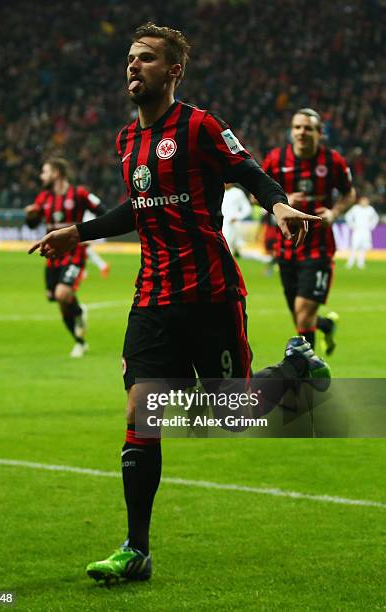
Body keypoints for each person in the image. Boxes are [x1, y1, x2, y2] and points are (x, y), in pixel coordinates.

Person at [29, 24, 328, 583]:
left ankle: (292, 368)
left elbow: (248, 172)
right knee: (142, 411)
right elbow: (137, 209)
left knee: (230, 415)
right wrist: (81, 231)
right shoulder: (127, 141)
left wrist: (279, 206)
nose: (133, 66)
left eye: (147, 58)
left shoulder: (200, 126)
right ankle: (135, 548)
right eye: (130, 57)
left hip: (211, 294)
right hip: (153, 298)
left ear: (174, 71)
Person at [261, 108, 356, 355]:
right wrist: (281, 200)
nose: (302, 132)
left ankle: (306, 380)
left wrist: (334, 213)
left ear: (319, 133)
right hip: (288, 247)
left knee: (303, 317)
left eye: (308, 128)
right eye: (298, 127)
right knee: (301, 317)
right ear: (291, 131)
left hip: (319, 248)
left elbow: (349, 193)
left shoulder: (332, 161)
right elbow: (256, 194)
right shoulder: (275, 159)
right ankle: (326, 324)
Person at [25, 157, 108, 357]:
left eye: (44, 171)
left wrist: (90, 236)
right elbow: (32, 225)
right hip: (53, 256)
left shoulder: (79, 193)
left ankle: (79, 326)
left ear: (56, 173)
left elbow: (103, 212)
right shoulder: (43, 198)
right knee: (57, 298)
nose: (41, 176)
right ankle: (79, 337)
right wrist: (30, 216)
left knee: (63, 293)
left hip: (74, 253)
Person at [345, 196, 379, 269]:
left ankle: (361, 263)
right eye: (363, 201)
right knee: (354, 246)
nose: (364, 203)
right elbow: (348, 216)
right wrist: (352, 225)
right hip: (357, 230)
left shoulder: (370, 209)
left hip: (366, 231)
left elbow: (376, 218)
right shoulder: (355, 208)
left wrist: (371, 226)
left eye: (366, 201)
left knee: (363, 247)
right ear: (360, 201)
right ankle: (350, 262)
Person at [221, 183, 252, 257]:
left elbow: (247, 208)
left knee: (227, 247)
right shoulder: (219, 191)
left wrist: (237, 217)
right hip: (220, 223)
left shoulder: (238, 192)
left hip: (232, 224)